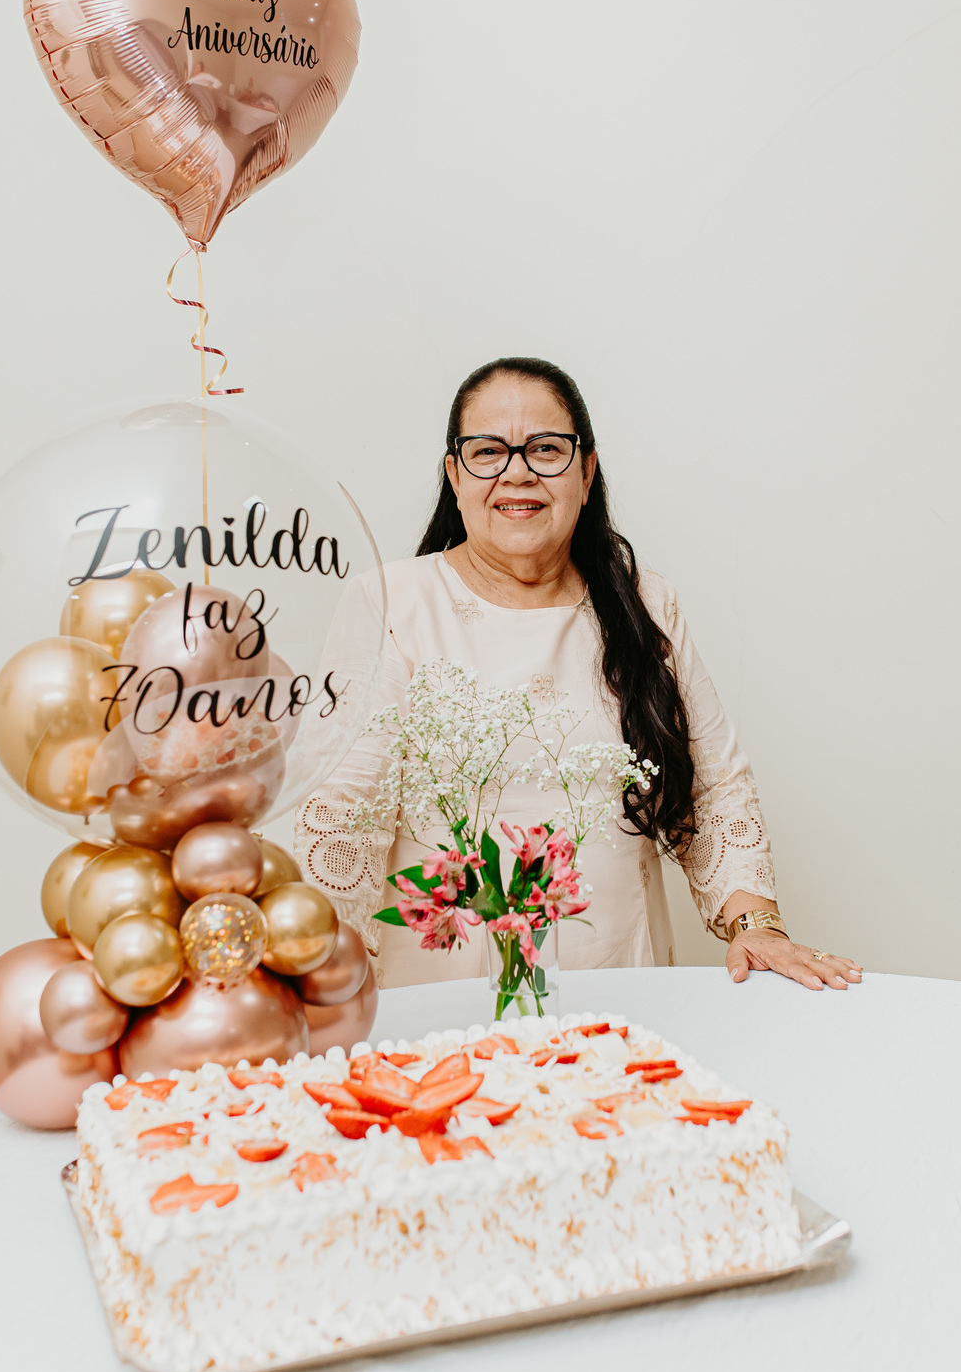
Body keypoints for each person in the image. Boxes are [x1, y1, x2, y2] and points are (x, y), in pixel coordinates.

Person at [296, 358, 862, 993]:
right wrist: (321, 975)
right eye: (487, 451)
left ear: (586, 472)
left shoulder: (646, 603)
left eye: (546, 449)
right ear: (454, 475)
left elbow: (713, 786)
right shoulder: (390, 603)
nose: (517, 472)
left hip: (624, 980)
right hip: (443, 992)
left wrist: (757, 926)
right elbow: (343, 811)